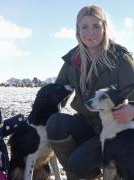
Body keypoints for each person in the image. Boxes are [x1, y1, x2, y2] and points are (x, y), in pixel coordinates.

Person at [46, 5, 134, 180]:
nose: (90, 32)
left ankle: (102, 169)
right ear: (78, 30)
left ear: (105, 28)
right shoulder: (73, 59)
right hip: (85, 125)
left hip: (115, 130)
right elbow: (55, 93)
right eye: (84, 27)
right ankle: (80, 174)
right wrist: (39, 112)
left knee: (79, 163)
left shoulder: (120, 57)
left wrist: (133, 110)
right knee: (55, 122)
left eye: (96, 26)